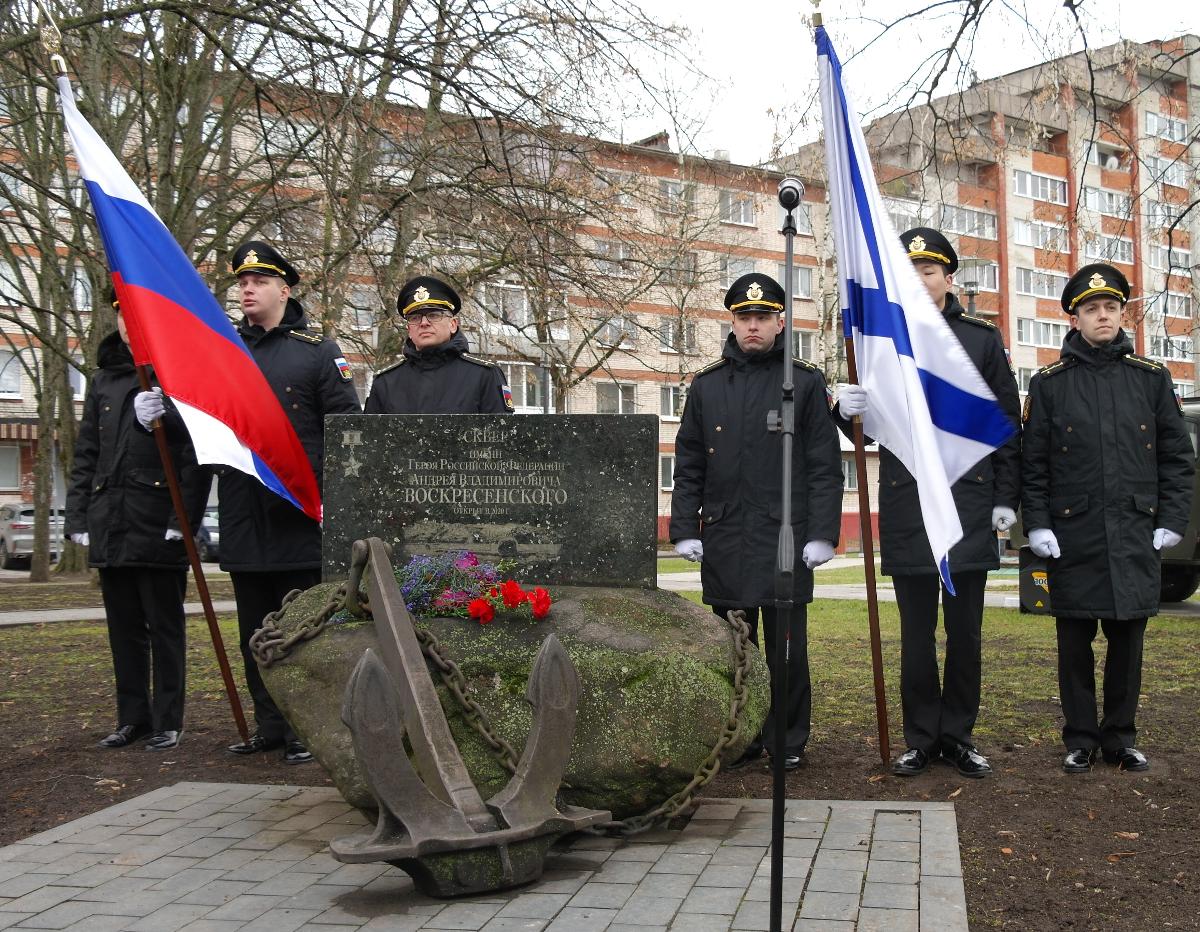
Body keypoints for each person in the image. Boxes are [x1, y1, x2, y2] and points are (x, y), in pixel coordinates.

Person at [836, 227, 1021, 778]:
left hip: (968, 504)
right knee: (915, 637)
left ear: (947, 277)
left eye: (930, 270)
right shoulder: (881, 340)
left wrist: (1005, 499)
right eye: (910, 271)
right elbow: (869, 431)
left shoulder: (981, 341)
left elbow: (1006, 426)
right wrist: (844, 410)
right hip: (907, 504)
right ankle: (920, 737)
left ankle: (959, 736)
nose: (920, 280)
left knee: (964, 634)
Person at [1022, 263, 1192, 774]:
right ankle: (1079, 738)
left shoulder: (1150, 378)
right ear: (1074, 319)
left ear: (1122, 314)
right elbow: (1034, 463)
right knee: (1074, 646)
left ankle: (1120, 737)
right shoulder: (1051, 385)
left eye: (1111, 308)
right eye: (1092, 309)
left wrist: (1174, 518)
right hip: (1073, 535)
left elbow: (1177, 458)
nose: (1103, 316)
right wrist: (1037, 523)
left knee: (1128, 645)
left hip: (1134, 532)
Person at [670, 272, 843, 771]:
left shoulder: (804, 382)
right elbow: (690, 465)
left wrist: (822, 534)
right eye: (744, 317)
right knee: (733, 650)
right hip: (726, 536)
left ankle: (786, 739)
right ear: (732, 321)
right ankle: (739, 736)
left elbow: (824, 466)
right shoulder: (706, 386)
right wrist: (684, 528)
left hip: (786, 539)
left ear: (780, 322)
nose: (753, 326)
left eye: (763, 317)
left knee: (788, 652)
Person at [220, 240, 361, 763]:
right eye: (241, 282)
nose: (247, 289)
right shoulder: (224, 350)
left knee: (302, 632)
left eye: (257, 281)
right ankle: (269, 726)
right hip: (242, 511)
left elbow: (347, 430)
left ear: (284, 288)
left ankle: (307, 727)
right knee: (252, 632)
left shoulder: (318, 352)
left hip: (301, 517)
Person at [65, 297, 209, 751]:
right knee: (123, 629)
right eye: (124, 316)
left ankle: (169, 719)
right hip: (112, 522)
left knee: (164, 628)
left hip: (158, 521)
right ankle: (133, 718)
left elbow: (194, 457)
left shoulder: (177, 372)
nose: (130, 325)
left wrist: (180, 518)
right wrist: (79, 514)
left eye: (138, 316)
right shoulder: (105, 379)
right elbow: (86, 452)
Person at [364, 276, 512, 414]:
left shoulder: (483, 375)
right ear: (409, 329)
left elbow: (501, 438)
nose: (424, 323)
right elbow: (370, 438)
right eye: (415, 318)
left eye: (433, 315)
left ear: (453, 324)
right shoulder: (386, 382)